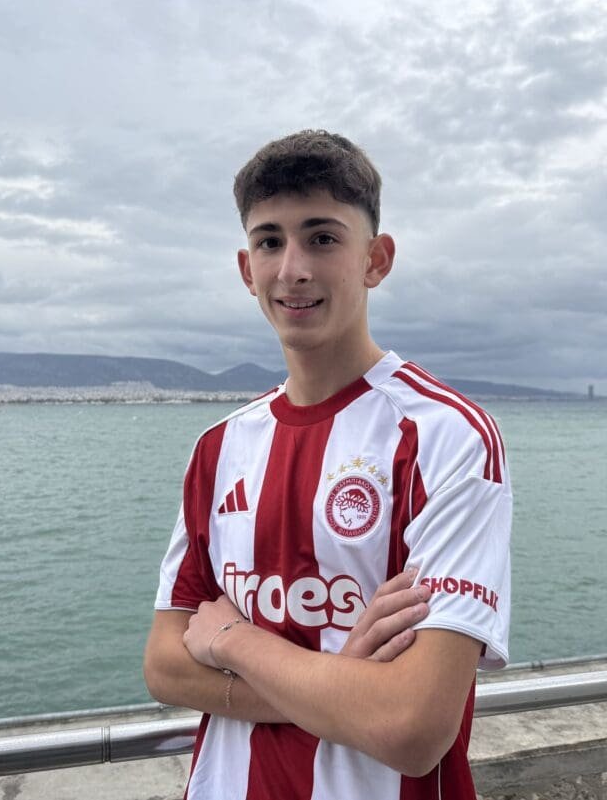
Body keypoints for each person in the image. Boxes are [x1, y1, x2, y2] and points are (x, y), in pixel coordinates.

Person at [143, 130, 512, 799]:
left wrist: (237, 641)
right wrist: (345, 678)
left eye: (321, 237)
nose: (293, 269)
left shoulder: (447, 437)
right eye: (269, 242)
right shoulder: (219, 448)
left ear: (376, 259)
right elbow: (165, 666)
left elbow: (411, 726)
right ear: (245, 268)